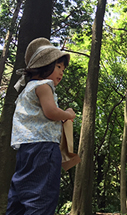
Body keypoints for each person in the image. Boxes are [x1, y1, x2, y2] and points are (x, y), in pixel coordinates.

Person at [6, 37, 76, 215]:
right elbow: (51, 112)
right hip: (44, 148)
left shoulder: (26, 90)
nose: (62, 72)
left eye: (63, 68)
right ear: (45, 65)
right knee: (42, 196)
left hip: (25, 149)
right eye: (58, 66)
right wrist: (67, 114)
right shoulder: (45, 85)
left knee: (21, 191)